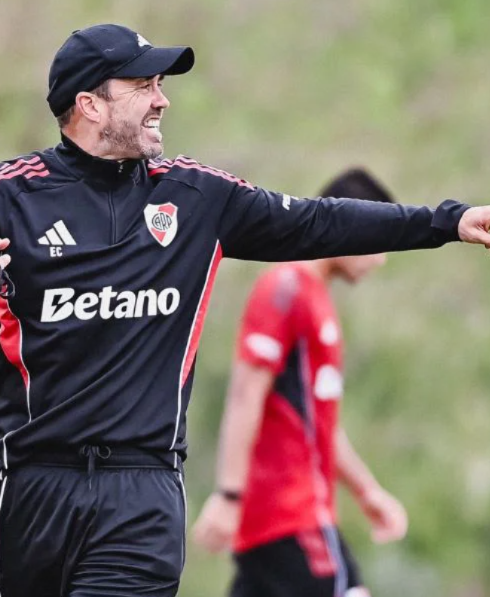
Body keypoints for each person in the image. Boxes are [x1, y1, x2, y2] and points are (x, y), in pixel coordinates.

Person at [0, 23, 490, 597]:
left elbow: (321, 222)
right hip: (34, 486)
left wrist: (448, 221)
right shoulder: (10, 195)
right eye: (144, 84)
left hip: (140, 491)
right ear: (89, 103)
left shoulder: (198, 197)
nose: (162, 98)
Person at [192, 168, 410, 597]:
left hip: (279, 523)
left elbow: (319, 425)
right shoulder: (286, 287)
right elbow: (244, 394)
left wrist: (367, 492)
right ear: (350, 226)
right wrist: (228, 496)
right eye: (380, 242)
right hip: (290, 515)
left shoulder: (317, 300)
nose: (381, 259)